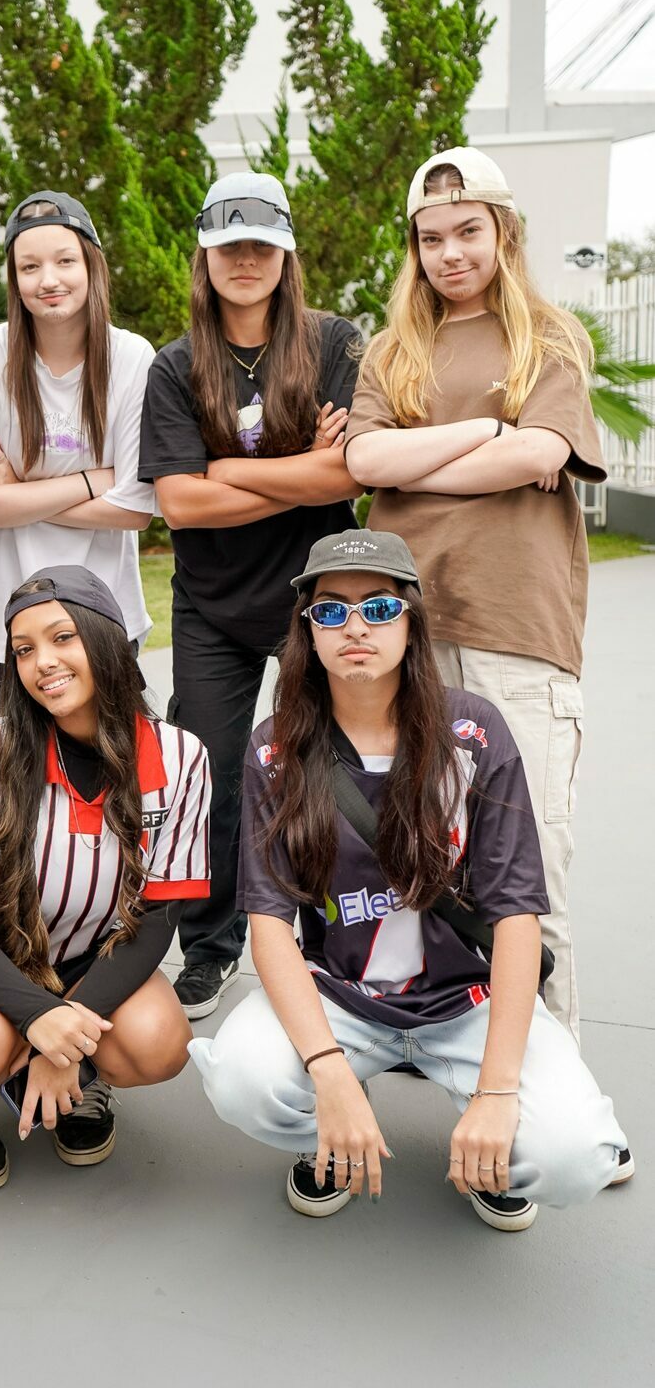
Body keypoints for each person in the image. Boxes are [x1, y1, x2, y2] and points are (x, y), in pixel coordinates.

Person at [190, 529, 627, 1231]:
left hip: (467, 1001)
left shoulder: (473, 732)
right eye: (330, 611)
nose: (355, 626)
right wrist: (327, 1071)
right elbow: (268, 923)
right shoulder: (277, 746)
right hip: (341, 996)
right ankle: (334, 1131)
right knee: (243, 1082)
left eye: (378, 607)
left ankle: (491, 1154)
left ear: (411, 621)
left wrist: (497, 1093)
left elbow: (517, 916)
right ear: (307, 631)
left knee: (572, 1159)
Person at [344, 147, 606, 1045]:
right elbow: (363, 458)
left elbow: (541, 454)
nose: (449, 253)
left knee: (529, 876)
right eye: (430, 239)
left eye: (467, 232)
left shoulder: (548, 337)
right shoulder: (391, 352)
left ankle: (553, 1088)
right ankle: (457, 1063)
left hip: (514, 633)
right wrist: (490, 430)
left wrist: (417, 463)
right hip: (404, 635)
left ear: (504, 233)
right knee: (413, 868)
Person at [0, 565, 210, 1193]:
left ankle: (77, 1075)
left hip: (92, 957)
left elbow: (158, 914)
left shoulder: (180, 756)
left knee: (158, 1043)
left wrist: (67, 1030)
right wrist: (37, 1016)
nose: (42, 662)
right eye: (23, 649)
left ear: (106, 639)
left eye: (62, 637)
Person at [138, 170, 363, 1020]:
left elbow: (347, 475)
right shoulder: (174, 366)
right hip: (212, 603)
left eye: (260, 245)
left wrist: (228, 470)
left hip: (318, 593)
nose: (244, 259)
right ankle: (210, 947)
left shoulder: (334, 343)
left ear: (285, 253)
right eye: (228, 245)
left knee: (334, 770)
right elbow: (179, 504)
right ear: (203, 256)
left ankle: (342, 943)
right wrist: (299, 471)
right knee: (210, 774)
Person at [0, 190, 155, 721]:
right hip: (0, 624)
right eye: (30, 267)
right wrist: (94, 480)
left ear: (91, 266)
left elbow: (136, 508)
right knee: (10, 768)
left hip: (103, 617)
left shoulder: (131, 357)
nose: (48, 280)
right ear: (14, 278)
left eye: (65, 261)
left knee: (109, 767)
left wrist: (20, 491)